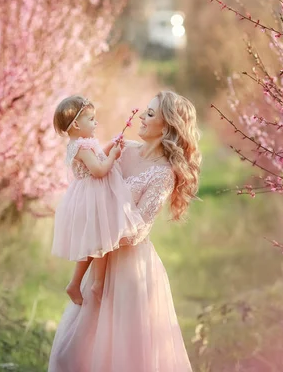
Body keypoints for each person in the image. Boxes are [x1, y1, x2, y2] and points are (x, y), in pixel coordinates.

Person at [48, 91, 201, 372]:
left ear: (166, 126)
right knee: (70, 354)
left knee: (123, 356)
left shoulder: (163, 173)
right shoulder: (123, 150)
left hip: (130, 269)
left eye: (150, 114)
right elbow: (93, 183)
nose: (141, 116)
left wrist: (103, 227)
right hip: (99, 258)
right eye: (145, 111)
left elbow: (138, 230)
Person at [52, 95, 145, 305]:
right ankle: (82, 283)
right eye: (91, 119)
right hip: (93, 197)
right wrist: (113, 156)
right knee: (100, 238)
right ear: (76, 124)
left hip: (94, 196)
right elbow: (99, 170)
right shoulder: (81, 148)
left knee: (101, 238)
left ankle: (96, 283)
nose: (96, 123)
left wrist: (108, 149)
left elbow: (96, 159)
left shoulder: (81, 144)